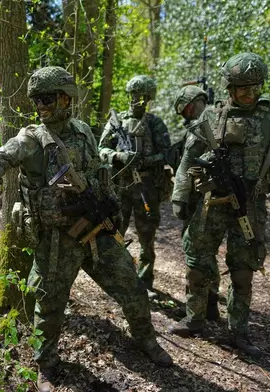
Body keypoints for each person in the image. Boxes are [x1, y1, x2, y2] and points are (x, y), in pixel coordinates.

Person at [0, 66, 173, 392]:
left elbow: (98, 172)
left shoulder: (83, 130)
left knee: (132, 285)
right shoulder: (29, 139)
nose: (40, 105)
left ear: (66, 98)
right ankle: (46, 362)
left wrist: (110, 208)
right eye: (36, 99)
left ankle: (146, 340)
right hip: (56, 241)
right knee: (49, 306)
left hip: (96, 230)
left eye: (47, 98)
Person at [169, 53, 270, 358]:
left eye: (253, 88)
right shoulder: (211, 117)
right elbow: (186, 159)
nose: (247, 94)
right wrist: (180, 194)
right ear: (228, 87)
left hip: (250, 206)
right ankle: (194, 319)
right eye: (240, 88)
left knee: (243, 272)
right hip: (211, 203)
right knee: (196, 265)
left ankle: (239, 331)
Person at [98, 75, 172, 297]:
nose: (136, 100)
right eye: (133, 95)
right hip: (120, 185)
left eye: (141, 96)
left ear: (148, 98)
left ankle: (144, 281)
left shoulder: (155, 123)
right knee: (115, 232)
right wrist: (119, 156)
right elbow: (101, 149)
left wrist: (146, 160)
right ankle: (118, 277)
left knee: (146, 235)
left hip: (147, 188)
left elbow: (167, 153)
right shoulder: (116, 122)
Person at [172, 85, 220, 321]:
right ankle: (209, 303)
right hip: (210, 196)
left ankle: (196, 311)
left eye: (185, 109)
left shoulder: (205, 121)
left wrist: (178, 197)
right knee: (206, 252)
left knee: (195, 252)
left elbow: (188, 162)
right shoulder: (217, 116)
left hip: (205, 198)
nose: (185, 114)